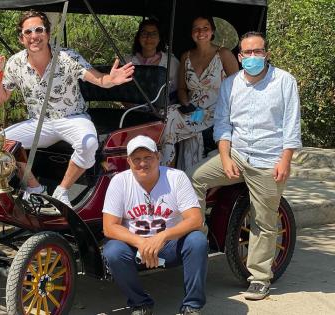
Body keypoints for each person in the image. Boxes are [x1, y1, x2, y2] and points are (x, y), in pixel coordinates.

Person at [189, 32, 301, 301]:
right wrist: (226, 158)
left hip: (268, 160)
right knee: (195, 178)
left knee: (264, 221)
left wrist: (285, 161)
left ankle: (260, 278)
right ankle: (198, 239)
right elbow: (223, 126)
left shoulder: (285, 81)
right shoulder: (231, 84)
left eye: (257, 52)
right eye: (247, 53)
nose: (252, 57)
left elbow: (291, 126)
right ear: (239, 57)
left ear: (266, 54)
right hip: (237, 154)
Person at [0, 9, 134, 207]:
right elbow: (0, 99)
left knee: (89, 144)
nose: (34, 36)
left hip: (72, 117)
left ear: (47, 34)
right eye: (28, 32)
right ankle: (34, 188)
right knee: (1, 144)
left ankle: (62, 191)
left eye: (39, 30)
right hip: (39, 122)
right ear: (21, 38)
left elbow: (99, 79)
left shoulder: (67, 57)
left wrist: (111, 80)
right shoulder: (15, 63)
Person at [102, 135, 207, 315]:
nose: (142, 163)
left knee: (198, 240)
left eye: (148, 157)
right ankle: (140, 303)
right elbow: (109, 227)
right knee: (112, 251)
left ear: (158, 157)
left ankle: (192, 306)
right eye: (136, 159)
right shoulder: (119, 181)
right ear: (128, 161)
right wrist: (141, 243)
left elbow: (196, 219)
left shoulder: (176, 178)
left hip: (169, 246)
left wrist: (162, 236)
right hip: (136, 249)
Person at [161, 15, 238, 169]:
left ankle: (175, 169)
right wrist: (185, 103)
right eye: (196, 28)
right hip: (194, 109)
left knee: (177, 121)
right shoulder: (186, 56)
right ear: (191, 33)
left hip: (217, 110)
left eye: (205, 28)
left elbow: (238, 87)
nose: (200, 32)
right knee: (167, 114)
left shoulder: (223, 54)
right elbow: (182, 89)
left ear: (212, 32)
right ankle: (167, 168)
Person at [127, 18, 180, 100]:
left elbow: (177, 90)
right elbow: (121, 89)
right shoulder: (127, 61)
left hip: (163, 110)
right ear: (139, 37)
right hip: (132, 110)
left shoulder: (171, 62)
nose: (149, 38)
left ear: (159, 38)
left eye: (153, 34)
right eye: (144, 33)